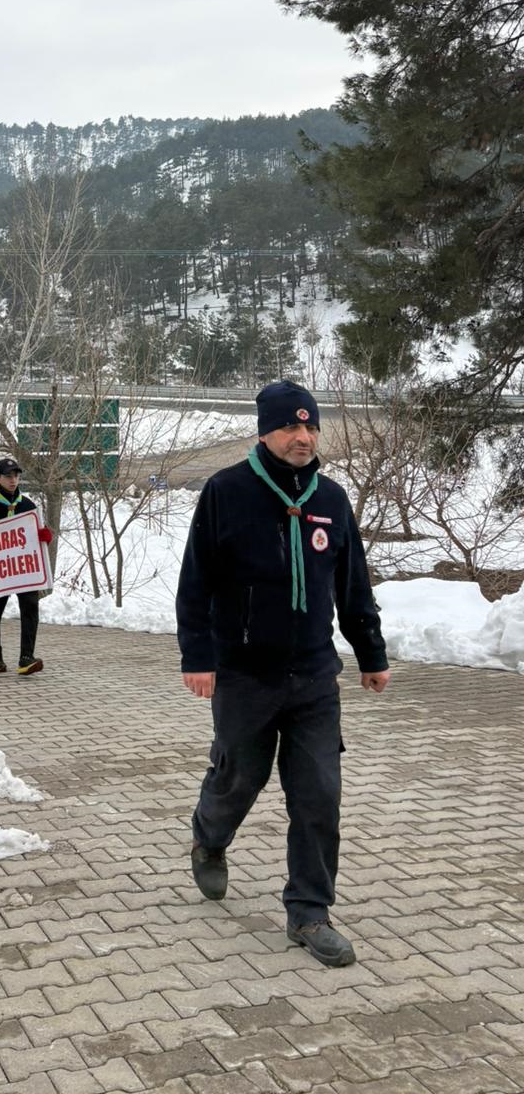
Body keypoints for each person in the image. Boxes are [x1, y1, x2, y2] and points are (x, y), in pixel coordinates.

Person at [176, 380, 391, 969]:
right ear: (266, 432)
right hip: (245, 675)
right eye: (291, 427)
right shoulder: (226, 491)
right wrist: (198, 656)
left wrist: (370, 652)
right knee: (239, 777)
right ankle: (209, 838)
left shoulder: (332, 498)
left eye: (311, 427)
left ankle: (309, 912)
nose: (304, 437)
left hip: (314, 677)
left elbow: (352, 584)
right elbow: (196, 582)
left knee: (319, 793)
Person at [0, 457, 52, 675]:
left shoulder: (27, 505)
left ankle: (26, 657)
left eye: (16, 475)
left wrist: (44, 537)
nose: (13, 480)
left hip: (23, 568)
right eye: (8, 476)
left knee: (30, 605)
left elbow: (36, 533)